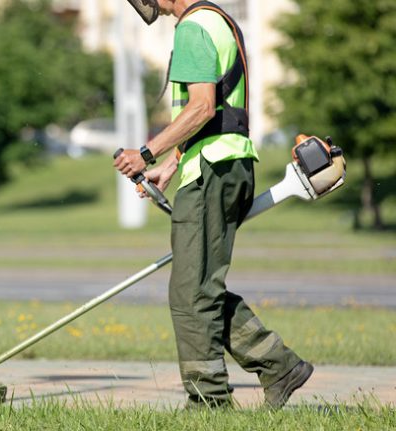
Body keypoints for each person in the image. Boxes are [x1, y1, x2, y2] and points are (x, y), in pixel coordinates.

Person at [113, 0, 313, 409]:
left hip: (211, 172)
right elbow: (219, 111)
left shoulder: (191, 28)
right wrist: (170, 166)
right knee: (201, 285)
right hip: (228, 165)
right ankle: (278, 365)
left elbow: (202, 107)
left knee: (190, 293)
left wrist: (146, 153)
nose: (148, 6)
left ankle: (209, 400)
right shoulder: (219, 21)